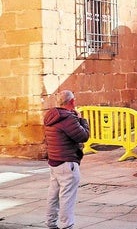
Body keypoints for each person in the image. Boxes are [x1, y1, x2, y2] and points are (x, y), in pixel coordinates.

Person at [44, 90, 90, 229]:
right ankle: (66, 225)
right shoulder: (67, 118)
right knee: (67, 197)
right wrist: (82, 119)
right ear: (72, 102)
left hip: (54, 160)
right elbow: (83, 136)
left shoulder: (50, 115)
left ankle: (50, 223)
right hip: (66, 161)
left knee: (53, 194)